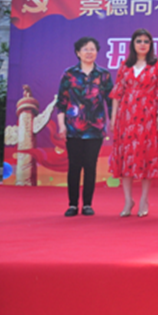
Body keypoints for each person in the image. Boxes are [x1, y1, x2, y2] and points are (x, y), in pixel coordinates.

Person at [110, 29, 158, 218]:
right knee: (126, 156)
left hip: (147, 115)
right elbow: (117, 92)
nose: (142, 44)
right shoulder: (125, 65)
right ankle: (128, 200)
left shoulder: (157, 65)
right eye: (139, 41)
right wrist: (114, 116)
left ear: (151, 45)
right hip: (126, 116)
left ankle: (144, 199)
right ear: (133, 44)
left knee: (146, 155)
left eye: (146, 41)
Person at [57, 37, 113, 217]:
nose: (89, 52)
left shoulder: (103, 75)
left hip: (95, 128)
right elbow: (61, 102)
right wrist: (61, 126)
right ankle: (73, 204)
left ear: (97, 52)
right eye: (85, 49)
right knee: (74, 166)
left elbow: (111, 101)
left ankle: (87, 204)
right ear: (78, 53)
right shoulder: (69, 74)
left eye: (92, 49)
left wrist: (112, 121)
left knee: (90, 165)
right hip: (73, 128)